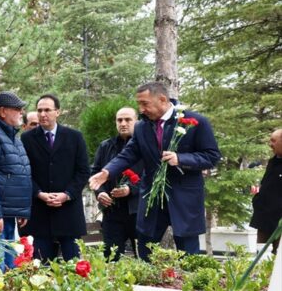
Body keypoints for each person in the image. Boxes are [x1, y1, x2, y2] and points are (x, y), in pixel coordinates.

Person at [90, 82, 220, 261]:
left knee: (189, 256)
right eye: (139, 104)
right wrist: (107, 172)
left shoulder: (196, 121)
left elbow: (212, 156)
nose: (141, 109)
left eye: (145, 104)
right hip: (151, 199)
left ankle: (190, 286)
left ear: (162, 99)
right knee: (145, 250)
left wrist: (181, 159)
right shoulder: (142, 127)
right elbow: (129, 154)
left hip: (184, 199)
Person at [21, 94, 89, 261]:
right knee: (40, 268)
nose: (43, 114)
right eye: (39, 110)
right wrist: (39, 193)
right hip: (39, 213)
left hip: (68, 212)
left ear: (57, 112)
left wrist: (67, 195)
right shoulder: (26, 139)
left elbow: (83, 172)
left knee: (74, 268)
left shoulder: (75, 137)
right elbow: (23, 173)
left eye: (47, 110)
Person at [0, 92, 32, 270]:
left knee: (10, 269)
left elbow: (18, 173)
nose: (21, 112)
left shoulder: (12, 136)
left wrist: (22, 210)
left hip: (8, 215)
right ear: (3, 111)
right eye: (18, 109)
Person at [91, 108, 143, 260]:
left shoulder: (144, 146)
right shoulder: (106, 146)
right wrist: (99, 192)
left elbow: (152, 177)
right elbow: (95, 173)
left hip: (138, 211)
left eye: (128, 120)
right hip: (112, 211)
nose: (123, 123)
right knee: (111, 258)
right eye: (119, 120)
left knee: (145, 258)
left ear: (137, 121)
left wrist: (131, 189)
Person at [249, 129, 282, 254]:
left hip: (279, 222)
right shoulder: (272, 162)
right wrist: (257, 200)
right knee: (262, 256)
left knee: (278, 259)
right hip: (264, 220)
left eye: (273, 141)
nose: (270, 144)